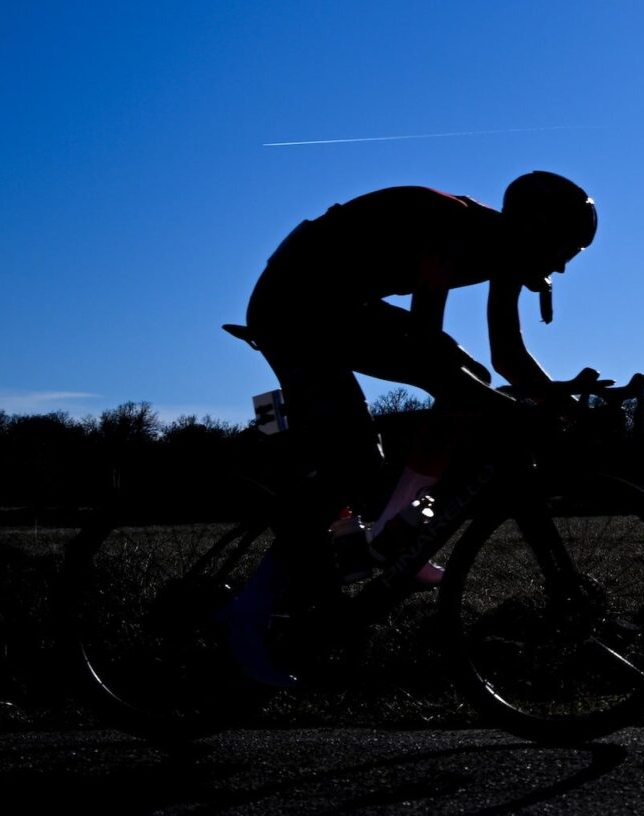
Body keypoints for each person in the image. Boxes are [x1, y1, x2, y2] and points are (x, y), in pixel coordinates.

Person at [218, 171, 600, 685]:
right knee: (356, 458)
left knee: (470, 381)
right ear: (535, 227)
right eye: (564, 248)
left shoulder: (507, 247)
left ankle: (399, 534)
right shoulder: (454, 228)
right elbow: (425, 340)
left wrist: (564, 403)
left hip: (336, 299)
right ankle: (249, 612)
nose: (562, 265)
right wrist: (511, 412)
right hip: (294, 302)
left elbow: (507, 354)